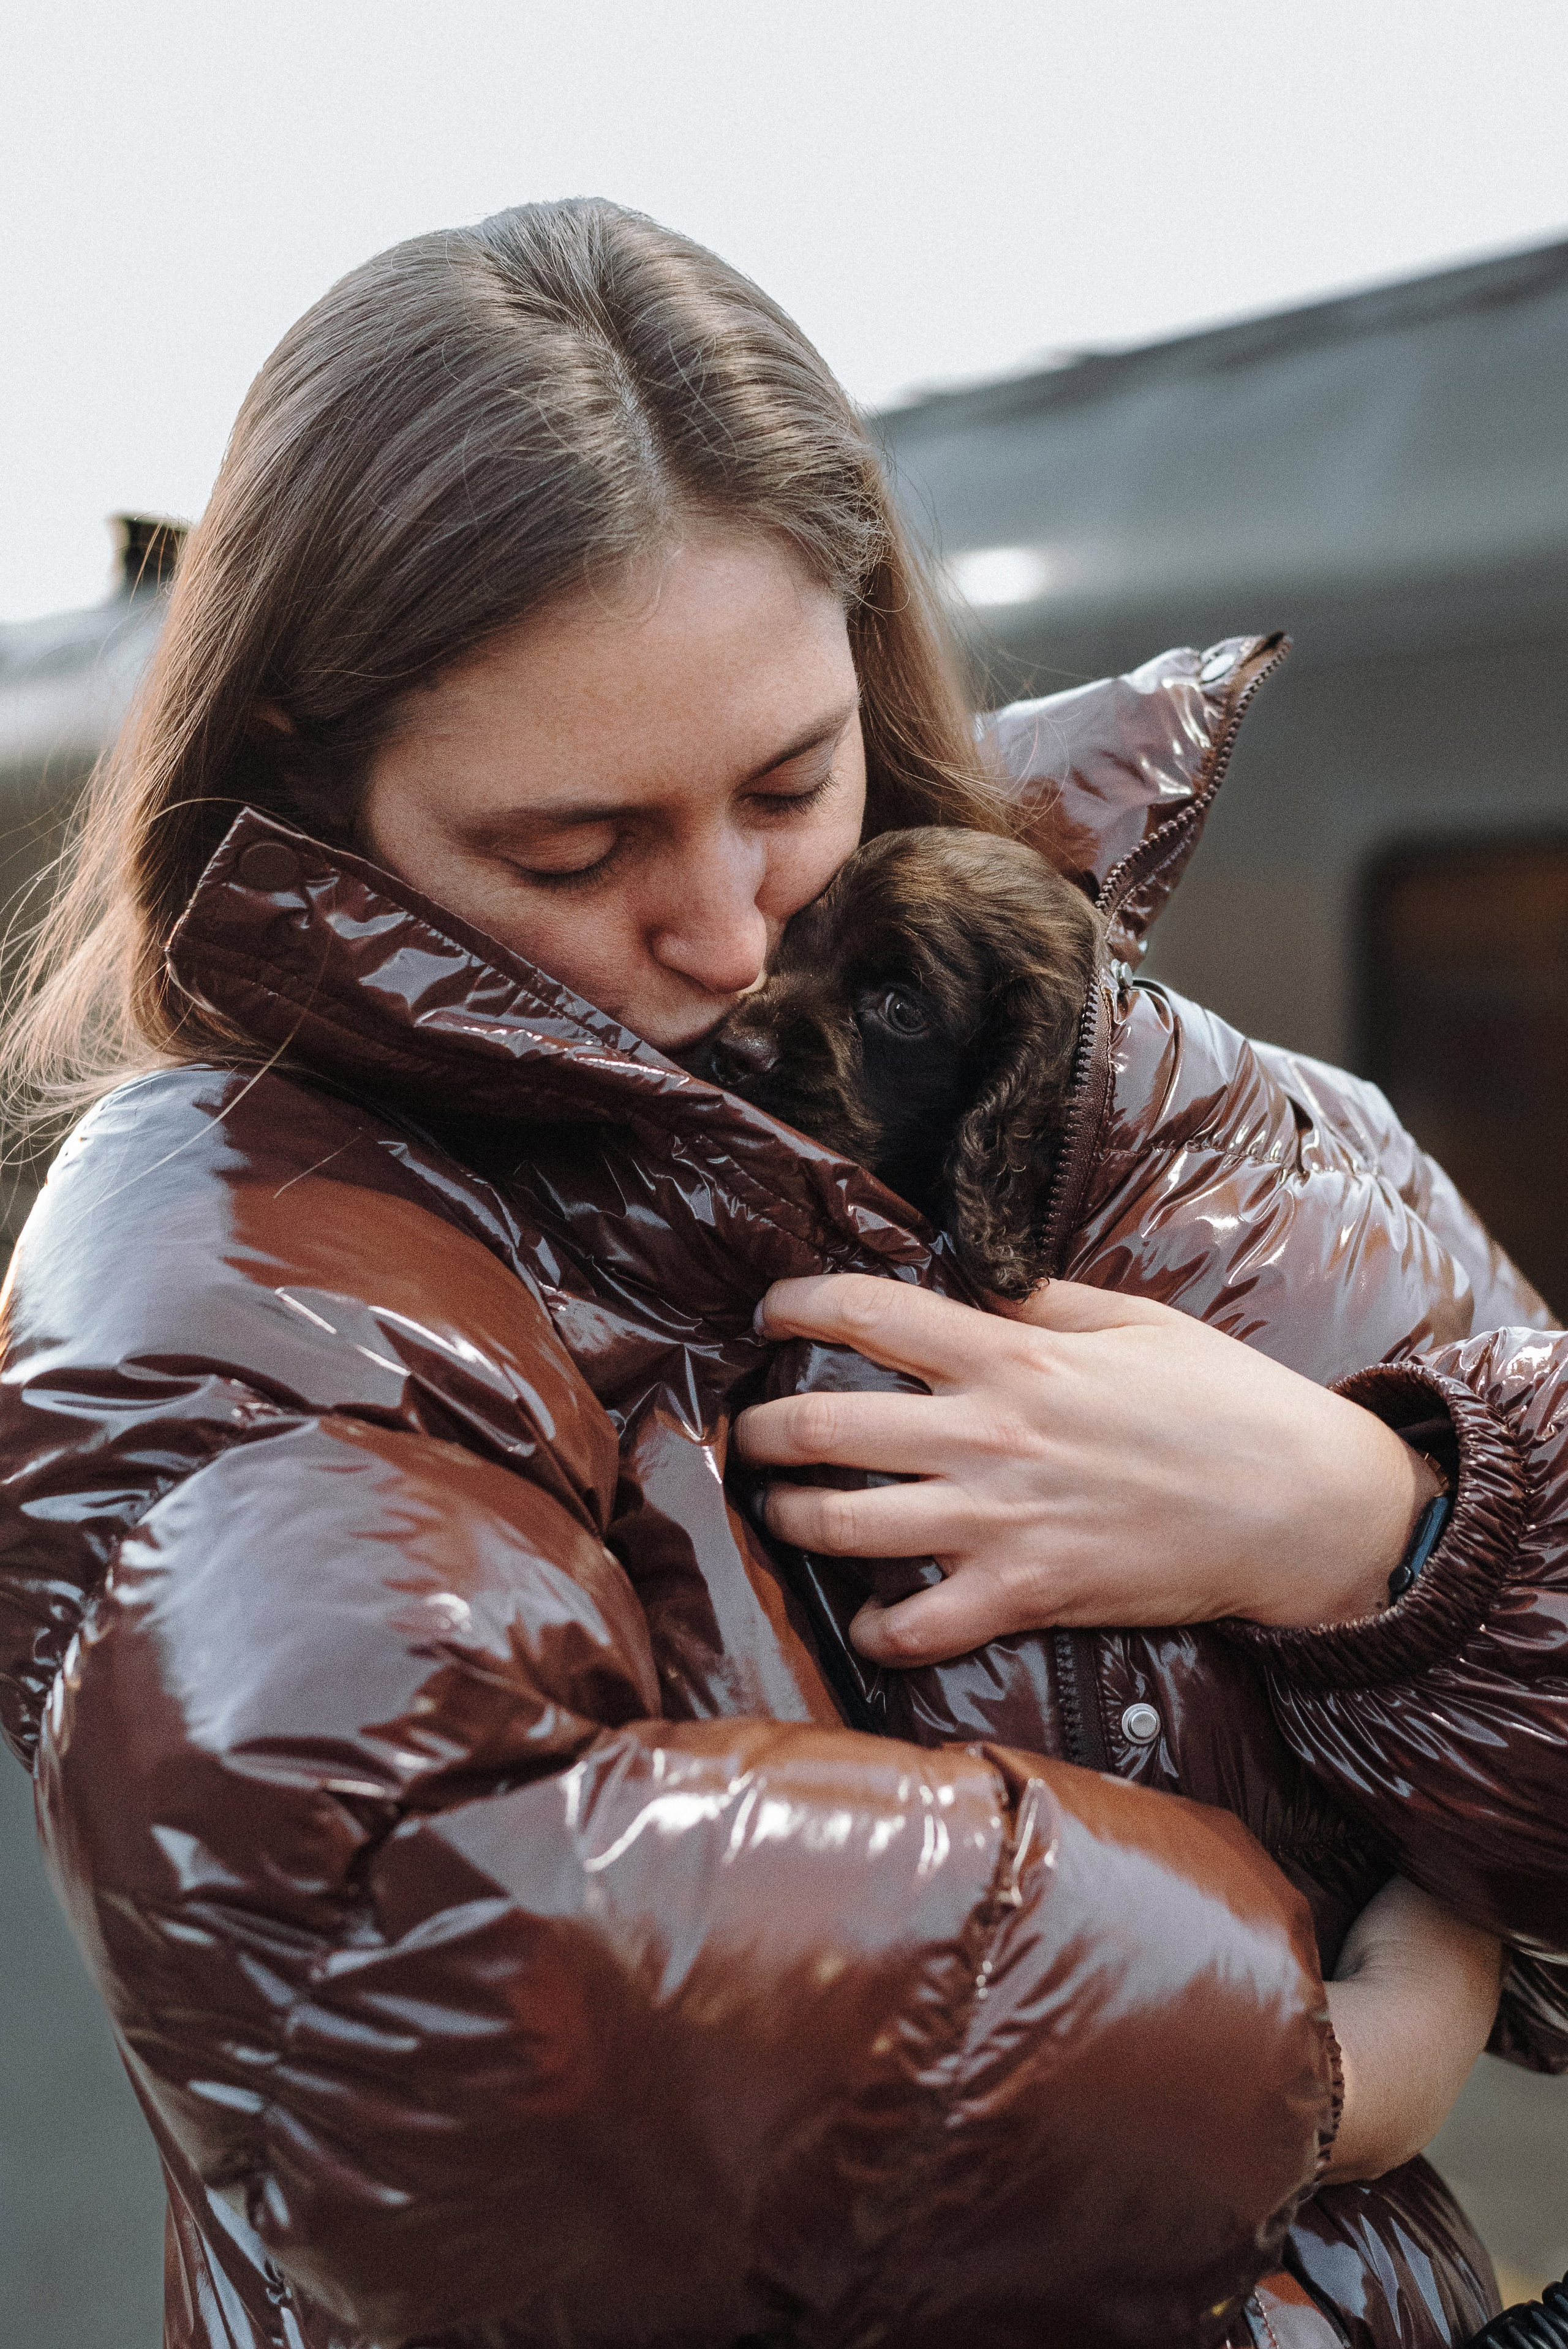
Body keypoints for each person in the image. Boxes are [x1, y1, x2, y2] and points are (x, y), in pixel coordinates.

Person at [0, 197, 1561, 2349]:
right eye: (573, 850)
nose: (731, 934)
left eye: (789, 784)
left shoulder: (1179, 1106)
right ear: (307, 783)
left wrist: (1383, 1526)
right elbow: (434, 1978)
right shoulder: (234, 1240)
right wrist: (1302, 2067)